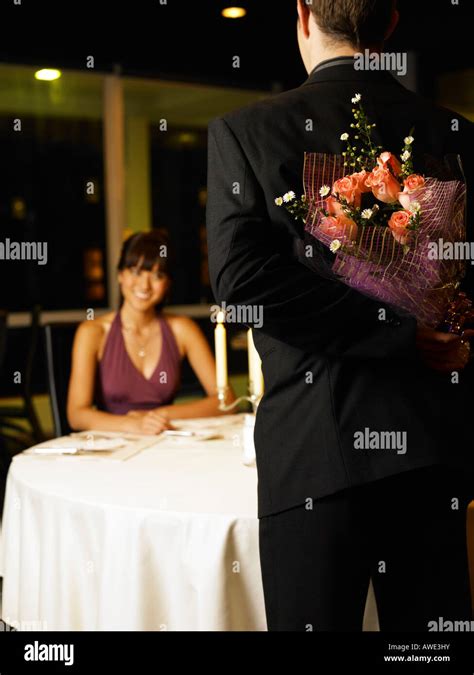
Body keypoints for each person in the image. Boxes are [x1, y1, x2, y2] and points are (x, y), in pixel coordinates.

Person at [206, 0, 474, 631]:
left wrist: (400, 332)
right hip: (433, 450)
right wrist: (429, 331)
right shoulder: (455, 133)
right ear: (392, 21)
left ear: (301, 15)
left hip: (315, 456)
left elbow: (243, 283)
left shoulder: (248, 130)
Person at [67, 230, 235, 435]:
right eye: (136, 272)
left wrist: (158, 416)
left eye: (157, 275)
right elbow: (76, 415)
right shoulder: (92, 332)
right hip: (112, 447)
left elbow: (226, 401)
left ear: (167, 284)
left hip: (164, 441)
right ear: (120, 275)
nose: (144, 285)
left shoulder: (182, 329)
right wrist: (133, 425)